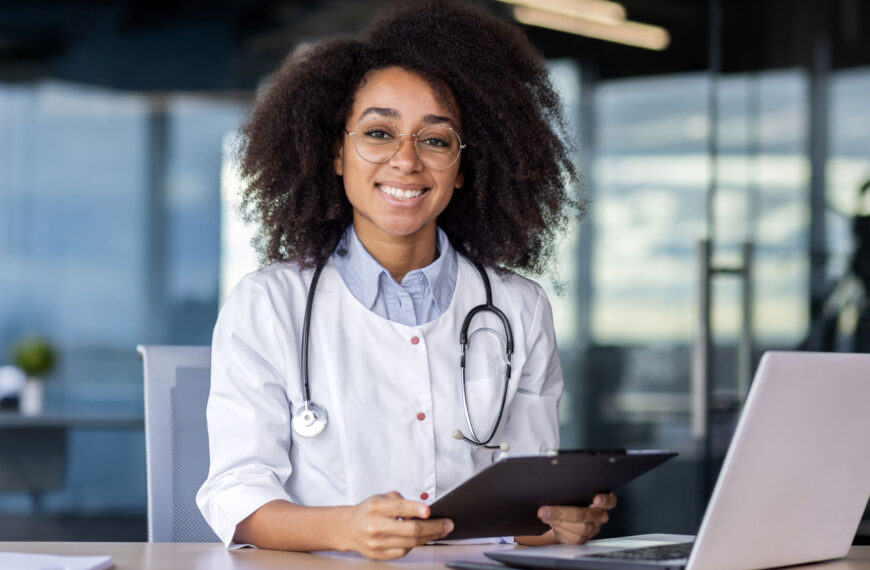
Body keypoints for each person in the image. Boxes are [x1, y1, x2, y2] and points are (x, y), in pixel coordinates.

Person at [196, 0, 616, 560]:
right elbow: (236, 496)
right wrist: (343, 529)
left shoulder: (519, 308)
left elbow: (523, 514)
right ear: (337, 154)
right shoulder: (269, 303)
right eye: (378, 133)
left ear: (464, 166)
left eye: (436, 140)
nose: (406, 160)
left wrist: (562, 521)